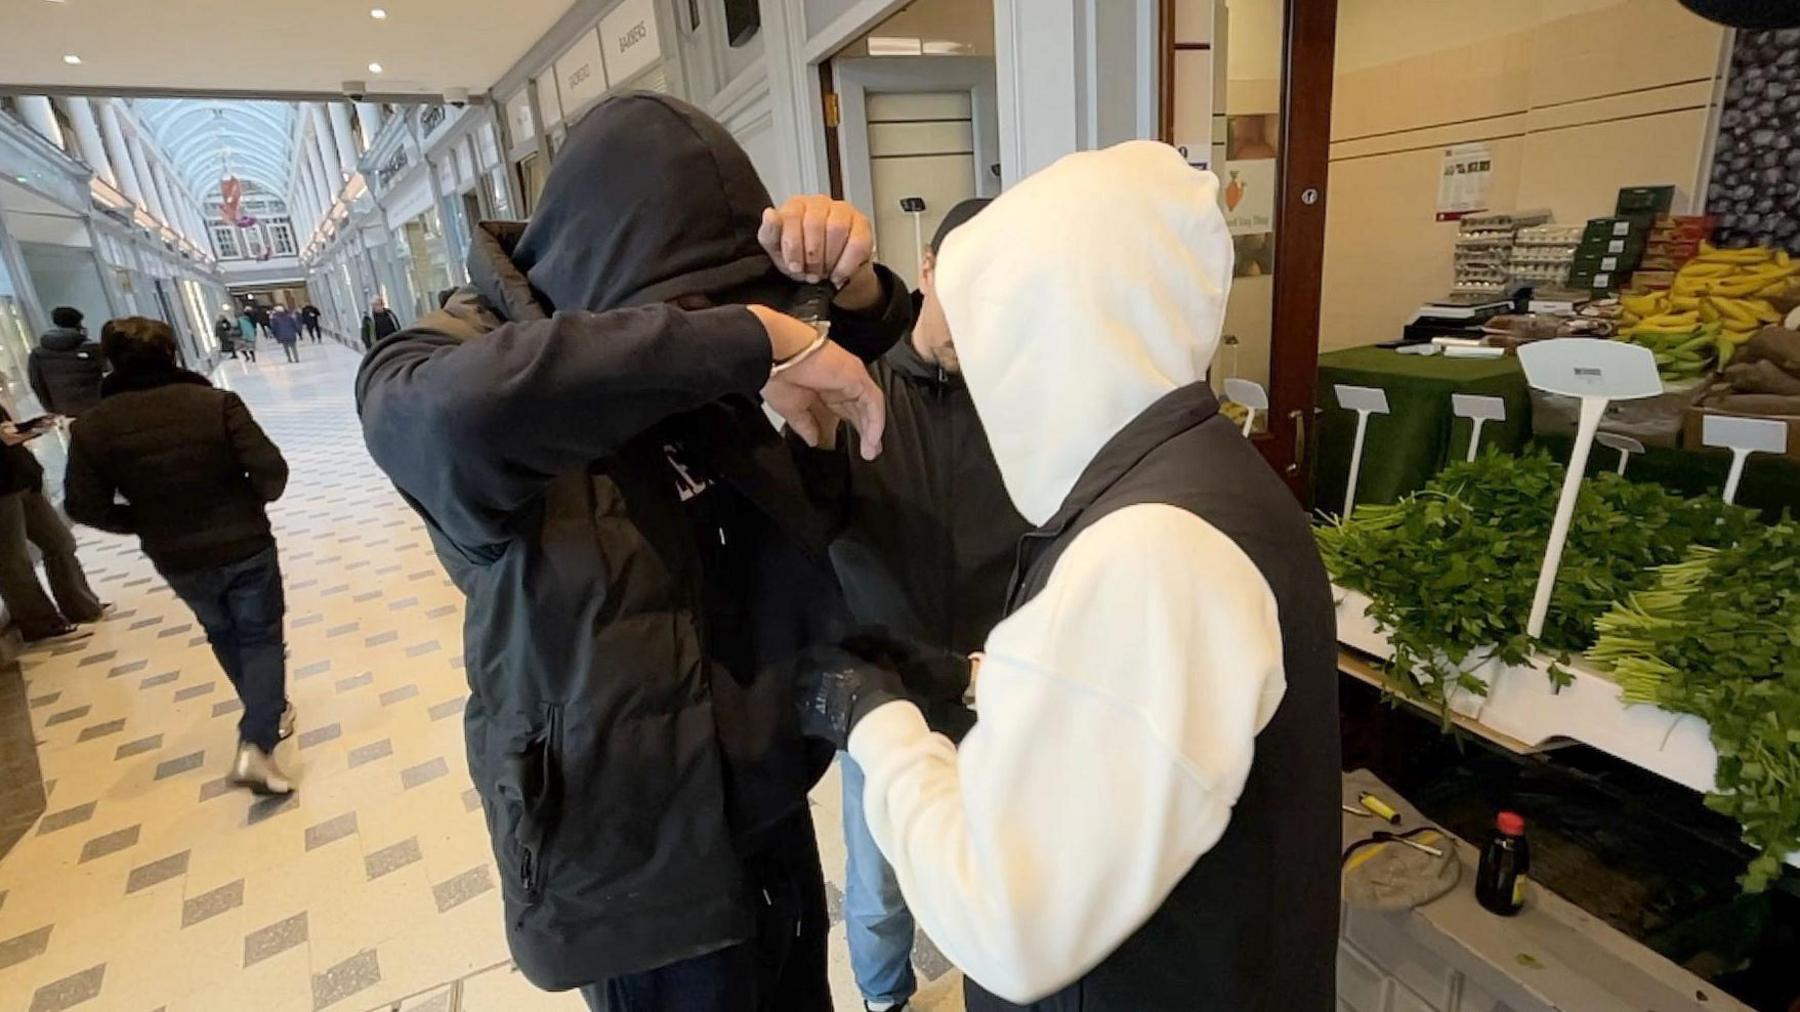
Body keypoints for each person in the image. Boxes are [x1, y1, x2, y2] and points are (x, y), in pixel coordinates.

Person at [357, 92, 911, 1012]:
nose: (718, 330)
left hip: (762, 810)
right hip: (638, 867)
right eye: (694, 311)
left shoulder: (695, 348)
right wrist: (738, 337)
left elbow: (844, 394)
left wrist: (848, 286)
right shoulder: (452, 353)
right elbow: (450, 422)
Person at [793, 142, 1341, 1011]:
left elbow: (1004, 917)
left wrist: (877, 720)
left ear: (1060, 324)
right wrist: (967, 680)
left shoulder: (1154, 551)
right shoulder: (1203, 477)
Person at [796, 198, 1029, 1012]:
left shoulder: (1021, 403)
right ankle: (883, 998)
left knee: (1002, 869)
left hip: (996, 688)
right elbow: (810, 525)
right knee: (880, 875)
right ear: (928, 268)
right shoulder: (859, 383)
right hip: (888, 686)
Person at [65, 317, 296, 794]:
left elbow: (82, 505)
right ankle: (258, 737)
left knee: (223, 632)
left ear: (110, 362)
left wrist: (139, 523)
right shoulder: (215, 404)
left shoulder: (93, 426)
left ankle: (265, 711)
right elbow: (271, 469)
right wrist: (251, 502)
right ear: (172, 354)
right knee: (259, 636)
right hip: (244, 541)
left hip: (176, 556)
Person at [0, 403, 105, 647]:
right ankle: (41, 625)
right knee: (13, 561)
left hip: (21, 477)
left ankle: (80, 606)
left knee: (59, 541)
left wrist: (30, 428)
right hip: (4, 489)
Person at [29, 306, 104, 418]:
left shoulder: (37, 354)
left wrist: (50, 409)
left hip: (63, 410)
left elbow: (37, 384)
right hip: (96, 407)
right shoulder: (92, 349)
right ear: (78, 324)